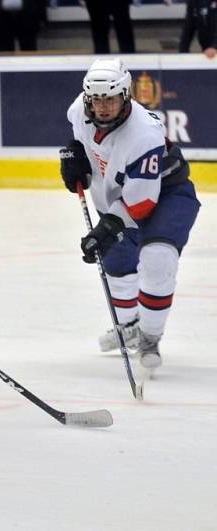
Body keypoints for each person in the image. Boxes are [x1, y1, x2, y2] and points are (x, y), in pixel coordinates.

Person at [59, 58, 199, 370]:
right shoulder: (79, 110)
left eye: (109, 99)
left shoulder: (144, 133)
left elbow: (141, 204)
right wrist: (72, 155)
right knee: (116, 264)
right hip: (116, 198)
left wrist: (105, 228)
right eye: (96, 100)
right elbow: (79, 138)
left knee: (157, 257)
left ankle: (150, 336)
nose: (102, 107)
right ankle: (129, 326)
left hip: (166, 195)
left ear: (125, 96)